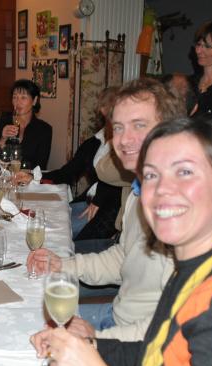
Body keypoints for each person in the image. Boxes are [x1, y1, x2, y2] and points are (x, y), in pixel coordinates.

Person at [31, 117, 212, 366]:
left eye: (184, 172)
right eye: (151, 175)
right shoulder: (200, 264)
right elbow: (159, 354)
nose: (161, 189)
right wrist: (92, 347)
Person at [28, 78, 183, 341]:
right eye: (118, 127)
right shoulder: (139, 192)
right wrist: (63, 264)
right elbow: (124, 257)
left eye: (139, 125)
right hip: (118, 315)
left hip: (139, 340)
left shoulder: (180, 208)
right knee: (32, 315)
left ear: (168, 130)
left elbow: (176, 325)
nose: (124, 139)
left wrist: (99, 341)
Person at [16, 86, 122, 242]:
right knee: (38, 221)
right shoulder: (94, 143)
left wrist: (99, 198)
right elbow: (67, 172)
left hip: (109, 212)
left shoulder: (126, 145)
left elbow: (120, 180)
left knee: (53, 234)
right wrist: (34, 176)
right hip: (88, 203)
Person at [0, 79, 52, 169]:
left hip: (28, 176)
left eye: (23, 97)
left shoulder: (44, 129)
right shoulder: (3, 122)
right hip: (4, 175)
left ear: (34, 100)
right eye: (15, 97)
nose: (18, 102)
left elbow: (41, 166)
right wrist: (3, 139)